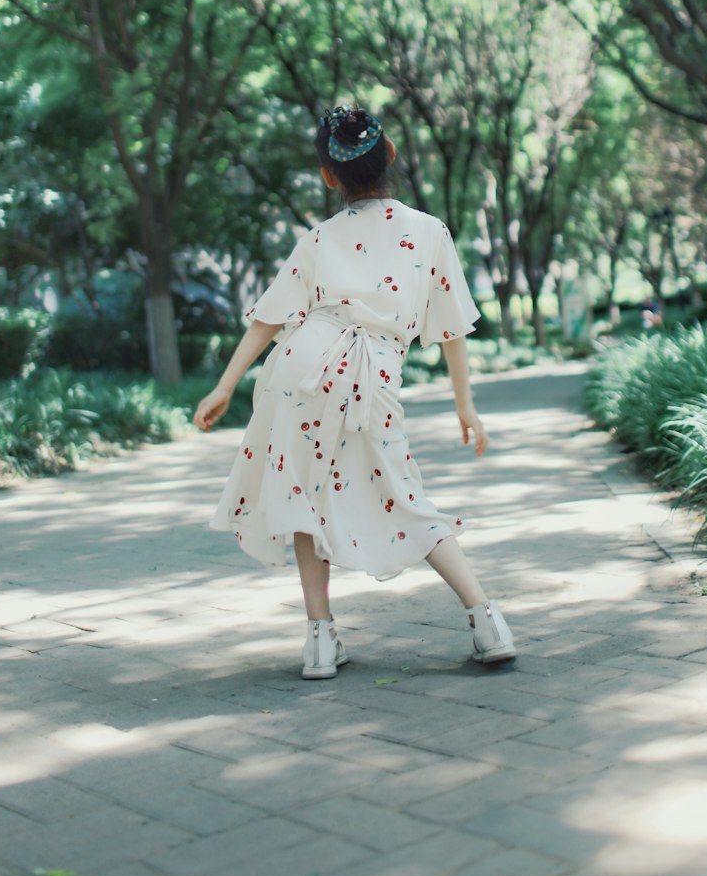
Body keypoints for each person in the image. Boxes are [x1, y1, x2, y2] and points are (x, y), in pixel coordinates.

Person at [194, 103, 516, 680]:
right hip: (371, 374)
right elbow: (451, 327)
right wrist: (465, 407)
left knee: (302, 498)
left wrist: (224, 386)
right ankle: (487, 620)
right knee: (403, 496)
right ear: (389, 156)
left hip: (298, 368)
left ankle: (320, 642)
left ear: (328, 176)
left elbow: (268, 318)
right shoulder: (429, 231)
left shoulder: (319, 237)